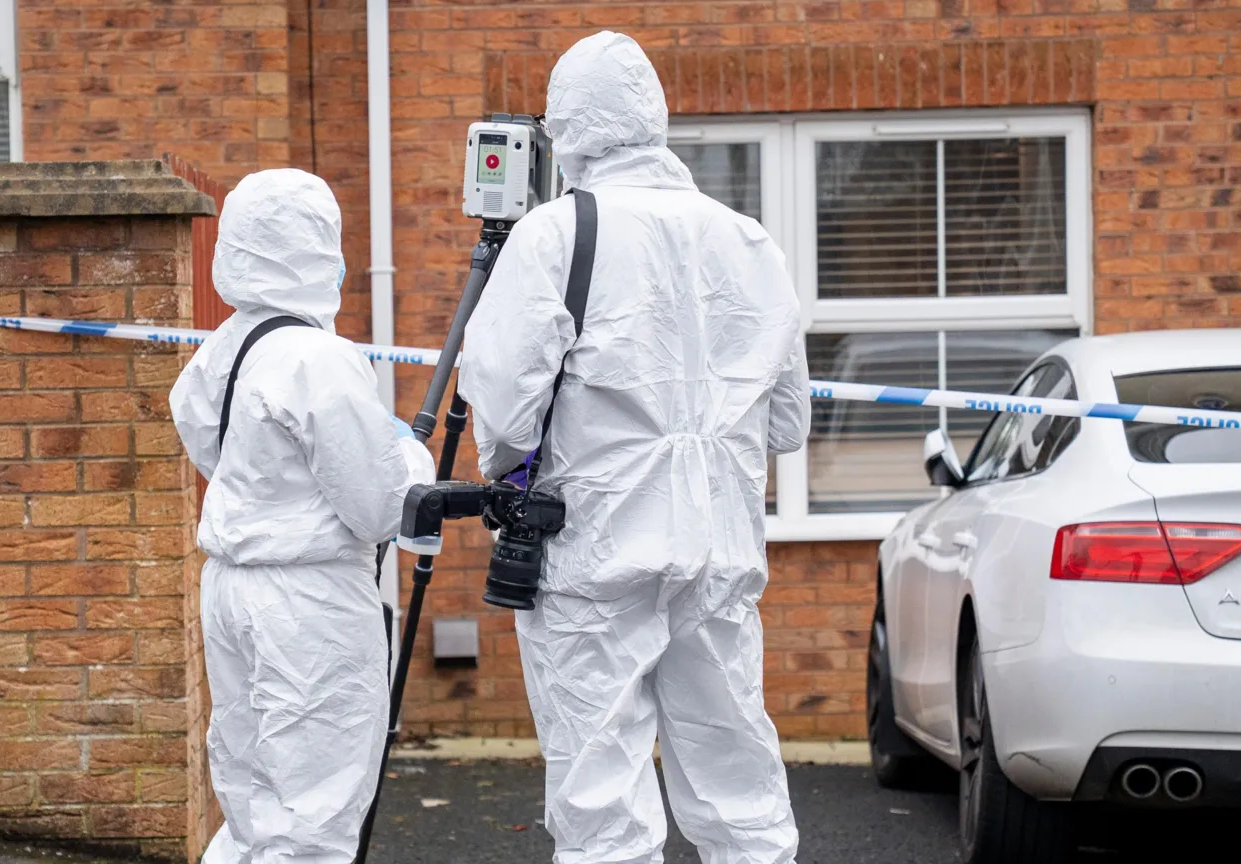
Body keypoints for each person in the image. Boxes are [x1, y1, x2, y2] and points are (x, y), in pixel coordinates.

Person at [459, 31, 810, 864]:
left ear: (565, 129)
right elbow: (789, 425)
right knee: (740, 793)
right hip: (718, 558)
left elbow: (504, 413)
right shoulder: (750, 243)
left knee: (601, 805)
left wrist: (509, 473)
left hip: (592, 556)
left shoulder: (554, 235)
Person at [170, 169, 434, 864]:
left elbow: (208, 444)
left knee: (253, 802)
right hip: (306, 602)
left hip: (232, 587)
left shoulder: (223, 350)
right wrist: (410, 458)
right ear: (321, 248)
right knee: (313, 812)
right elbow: (378, 506)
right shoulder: (320, 358)